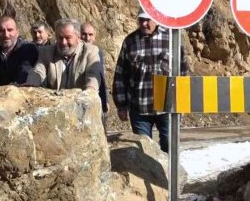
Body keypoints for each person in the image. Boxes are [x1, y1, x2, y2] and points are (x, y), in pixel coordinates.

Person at [113, 8, 189, 152]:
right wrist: (121, 105)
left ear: (157, 19)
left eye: (148, 20)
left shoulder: (171, 38)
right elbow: (120, 74)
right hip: (140, 107)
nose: (144, 24)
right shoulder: (130, 42)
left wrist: (183, 102)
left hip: (168, 107)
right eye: (141, 20)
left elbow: (183, 71)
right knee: (144, 150)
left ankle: (166, 174)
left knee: (170, 146)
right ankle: (147, 175)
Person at [26, 18, 101, 91]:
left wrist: (90, 91)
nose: (63, 42)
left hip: (80, 100)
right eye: (60, 38)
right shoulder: (46, 52)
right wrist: (31, 84)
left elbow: (93, 75)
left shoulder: (90, 51)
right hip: (55, 100)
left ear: (78, 37)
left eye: (68, 38)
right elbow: (38, 71)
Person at [0, 16, 38, 86]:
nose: (6, 35)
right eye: (1, 30)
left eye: (10, 30)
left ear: (17, 32)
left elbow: (24, 75)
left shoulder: (28, 49)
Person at [80, 23, 109, 125]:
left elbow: (100, 77)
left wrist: (106, 102)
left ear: (95, 37)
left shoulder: (98, 52)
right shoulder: (73, 53)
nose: (87, 38)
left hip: (96, 98)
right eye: (84, 34)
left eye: (90, 34)